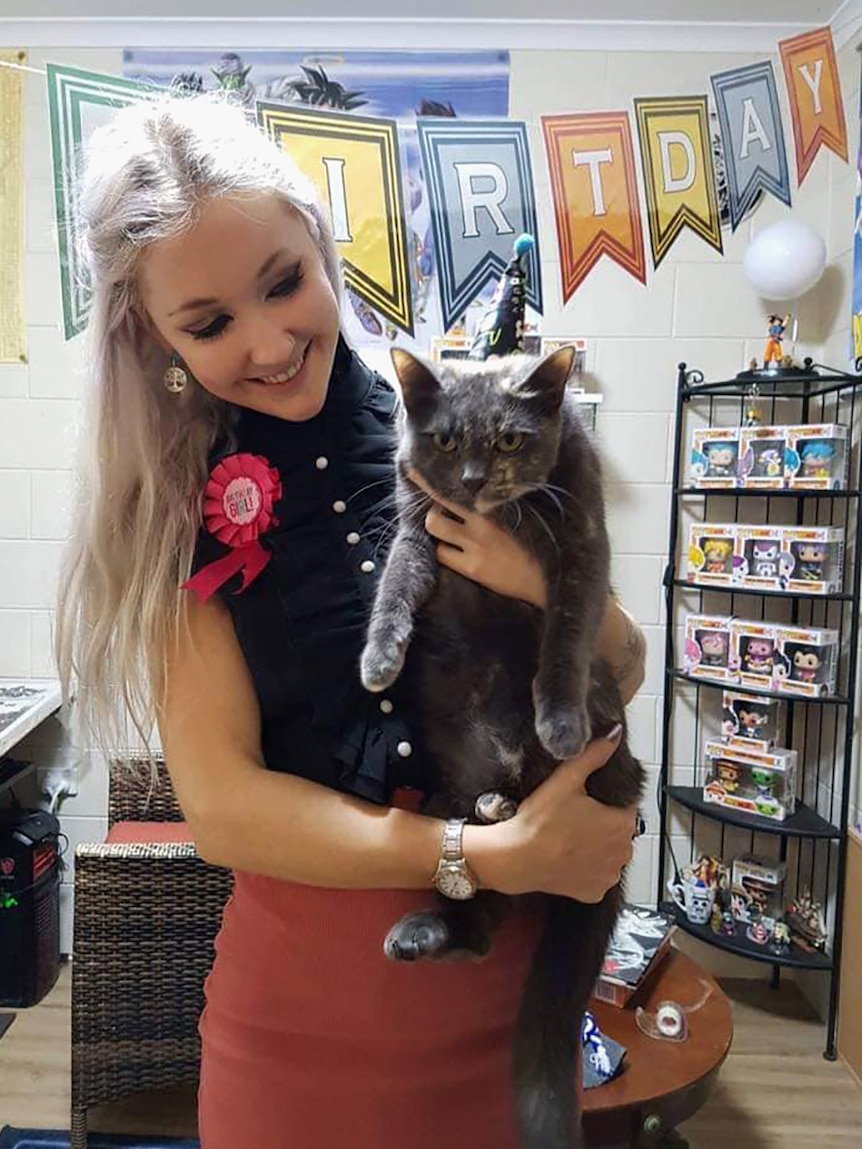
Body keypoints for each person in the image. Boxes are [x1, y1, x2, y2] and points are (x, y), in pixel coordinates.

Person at [55, 95, 646, 1149]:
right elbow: (228, 809)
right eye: (211, 321)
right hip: (308, 1035)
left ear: (322, 252)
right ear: (154, 335)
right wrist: (484, 856)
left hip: (516, 1007)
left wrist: (527, 578)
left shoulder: (452, 429)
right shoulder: (176, 510)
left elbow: (629, 659)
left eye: (285, 283)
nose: (273, 340)